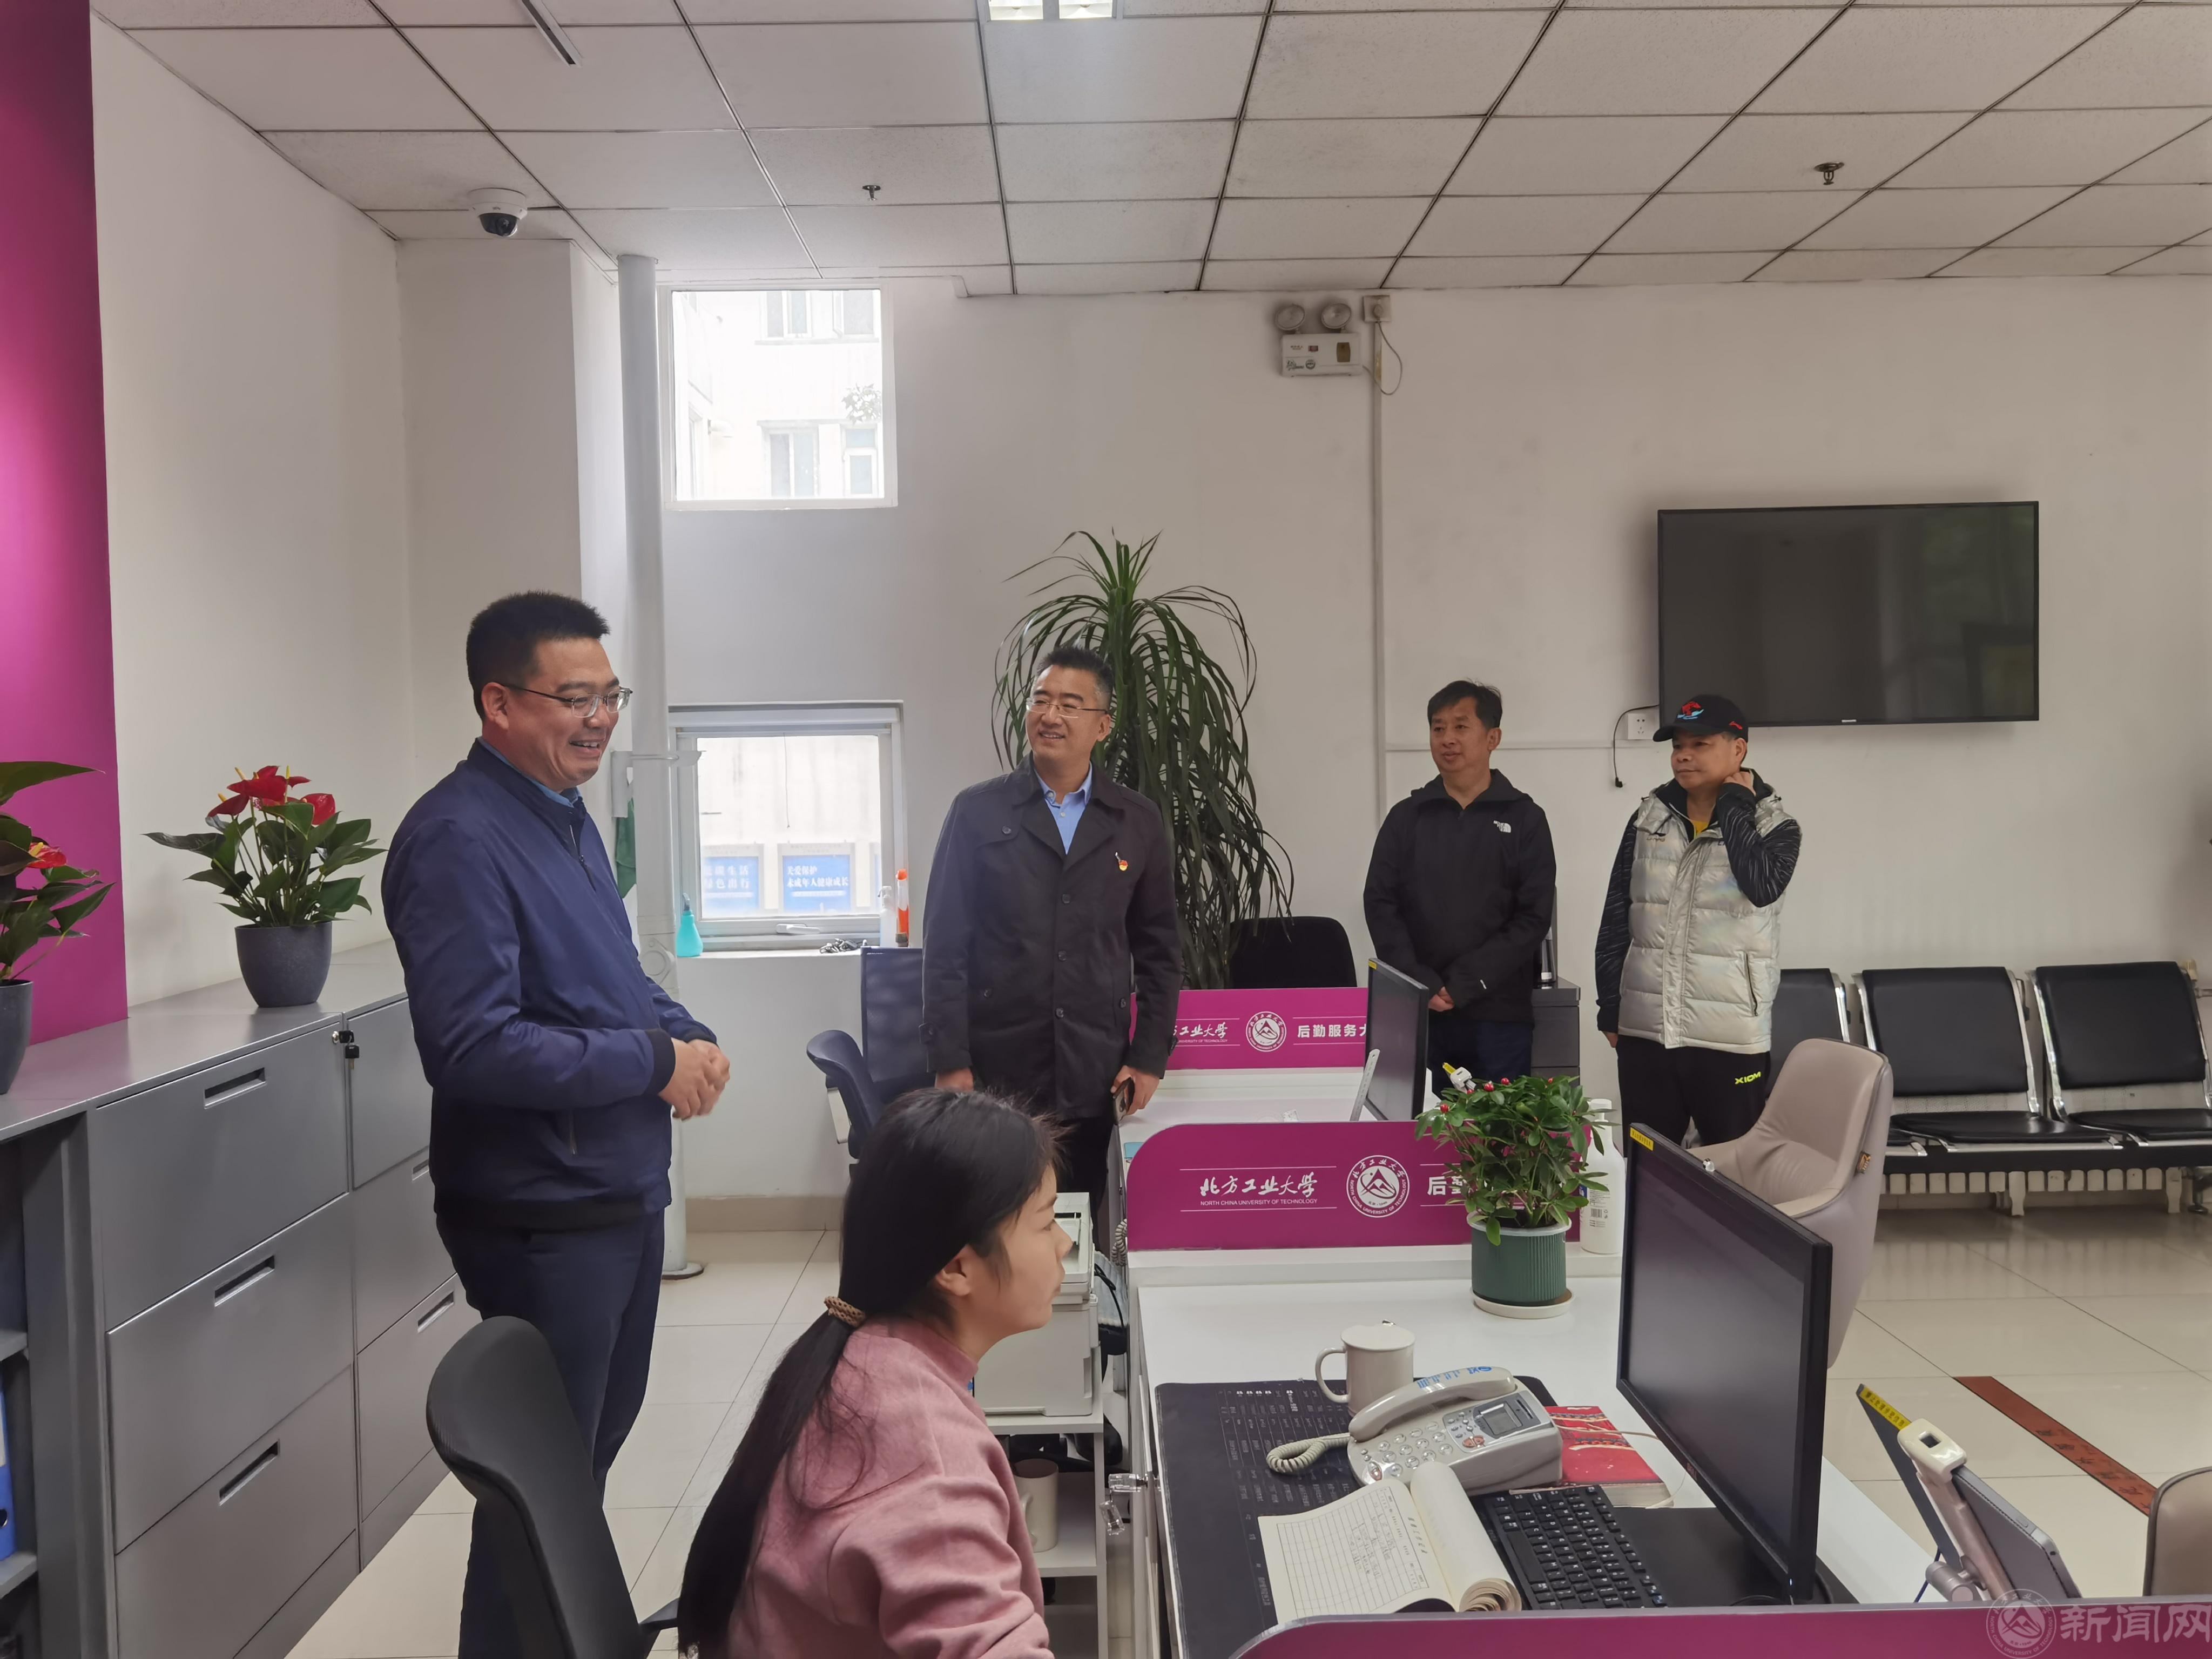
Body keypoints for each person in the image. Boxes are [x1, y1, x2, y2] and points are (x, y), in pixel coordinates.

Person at [382, 591, 730, 1659]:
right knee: (539, 1490)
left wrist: (683, 1033)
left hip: (611, 1192)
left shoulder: (561, 818)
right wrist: (652, 1062)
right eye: (574, 698)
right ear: (499, 702)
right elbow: (474, 1046)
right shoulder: (458, 837)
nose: (600, 718)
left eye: (609, 695)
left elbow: (608, 980)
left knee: (574, 1475)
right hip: (542, 1210)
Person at [678, 1089, 1069, 1659]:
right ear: (956, 1267)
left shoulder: (863, 1354)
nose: (1066, 1243)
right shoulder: (921, 1445)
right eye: (1047, 1222)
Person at [922, 643, 1181, 1198]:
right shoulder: (977, 812)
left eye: (1069, 704)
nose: (1050, 715)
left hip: (1094, 1068)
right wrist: (950, 1061)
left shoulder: (1135, 821)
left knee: (1081, 1218)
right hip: (998, 1069)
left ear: (1102, 726)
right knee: (995, 1217)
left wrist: (1148, 1058)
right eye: (1040, 700)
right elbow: (944, 946)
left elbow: (1160, 953)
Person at [1594, 693, 1801, 1148]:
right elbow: (1617, 916)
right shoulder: (1648, 819)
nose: (1683, 756)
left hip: (1730, 1036)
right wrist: (1610, 1006)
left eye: (1700, 744)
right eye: (1678, 746)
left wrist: (1735, 805)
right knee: (1647, 1165)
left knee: (1734, 1168)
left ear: (1738, 749)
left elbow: (1761, 886)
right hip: (1646, 1029)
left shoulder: (1776, 826)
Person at [1364, 680, 1557, 1090]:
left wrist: (1466, 982)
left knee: (1500, 1126)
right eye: (1438, 728)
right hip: (1421, 1010)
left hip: (1499, 1015)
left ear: (1493, 738)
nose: (1447, 739)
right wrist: (1422, 981)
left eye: (1460, 727)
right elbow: (1380, 903)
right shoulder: (1407, 817)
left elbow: (1533, 916)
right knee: (1422, 1124)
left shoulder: (1525, 818)